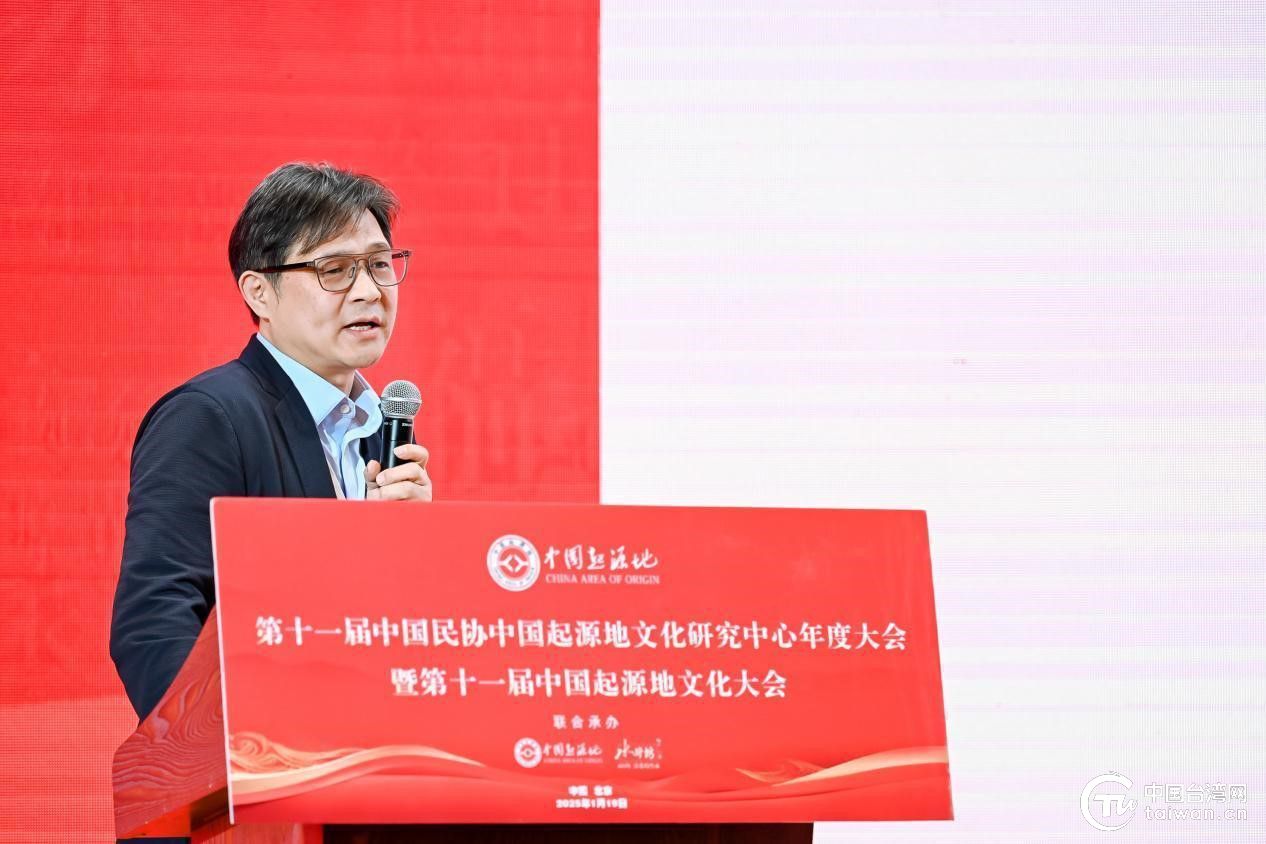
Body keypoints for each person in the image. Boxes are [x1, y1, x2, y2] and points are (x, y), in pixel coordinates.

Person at [110, 162, 432, 722]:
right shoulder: (208, 416)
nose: (369, 291)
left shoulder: (382, 431)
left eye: (380, 264)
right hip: (265, 758)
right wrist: (240, 752)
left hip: (366, 751)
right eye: (334, 270)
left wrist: (418, 550)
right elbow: (154, 621)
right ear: (259, 291)